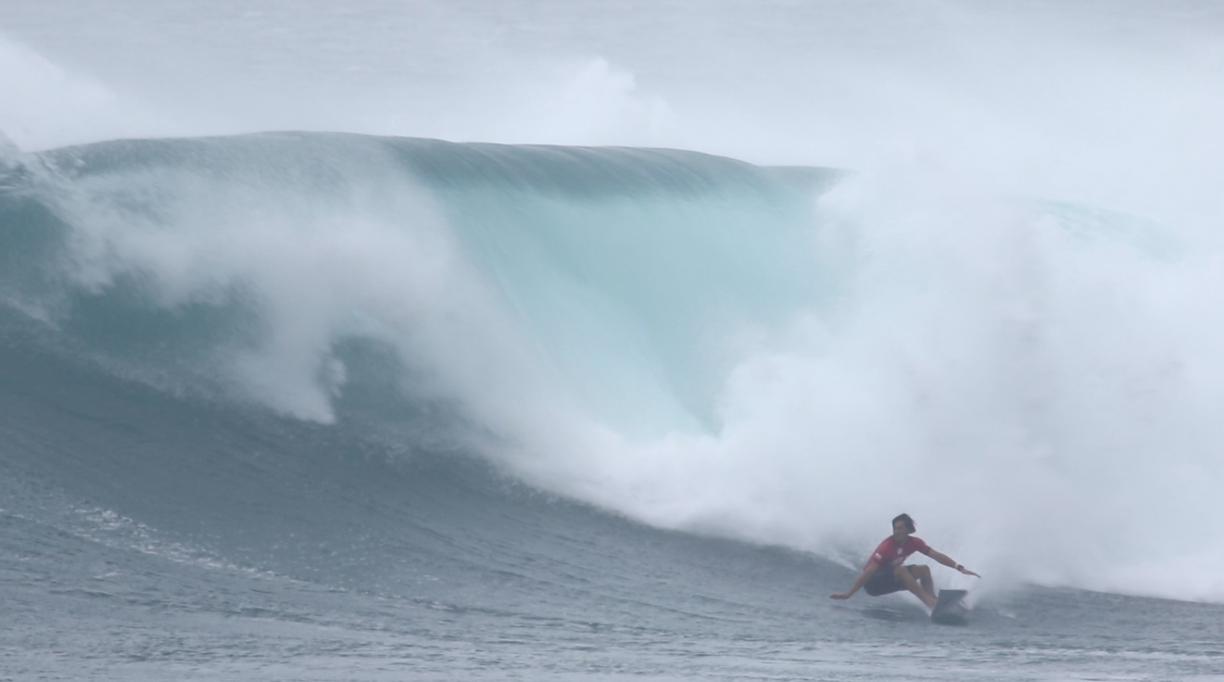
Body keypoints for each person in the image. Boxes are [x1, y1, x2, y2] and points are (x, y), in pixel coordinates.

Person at [829, 513, 980, 610]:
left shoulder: (914, 542)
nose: (897, 531)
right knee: (902, 570)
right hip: (874, 584)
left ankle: (933, 600)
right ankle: (929, 601)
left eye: (900, 528)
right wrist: (848, 593)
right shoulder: (887, 547)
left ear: (908, 530)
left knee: (924, 569)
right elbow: (868, 572)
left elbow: (936, 556)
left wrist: (960, 568)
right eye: (895, 528)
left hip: (892, 580)